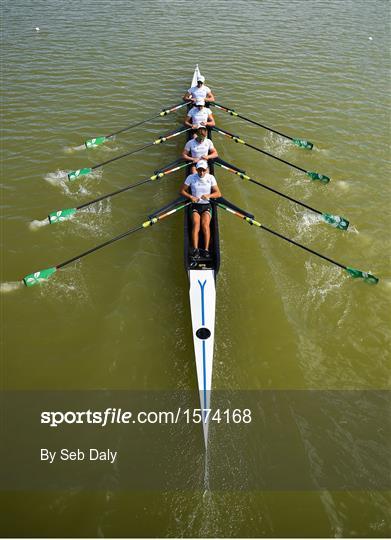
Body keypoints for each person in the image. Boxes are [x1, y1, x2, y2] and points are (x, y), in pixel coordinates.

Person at [180, 160, 221, 258]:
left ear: (206, 169)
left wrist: (209, 195)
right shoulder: (191, 177)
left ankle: (206, 250)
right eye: (199, 170)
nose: (201, 172)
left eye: (203, 170)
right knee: (196, 224)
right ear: (197, 169)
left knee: (205, 225)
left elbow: (218, 193)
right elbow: (182, 191)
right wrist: (191, 197)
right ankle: (195, 250)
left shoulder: (211, 178)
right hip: (195, 206)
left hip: (206, 205)